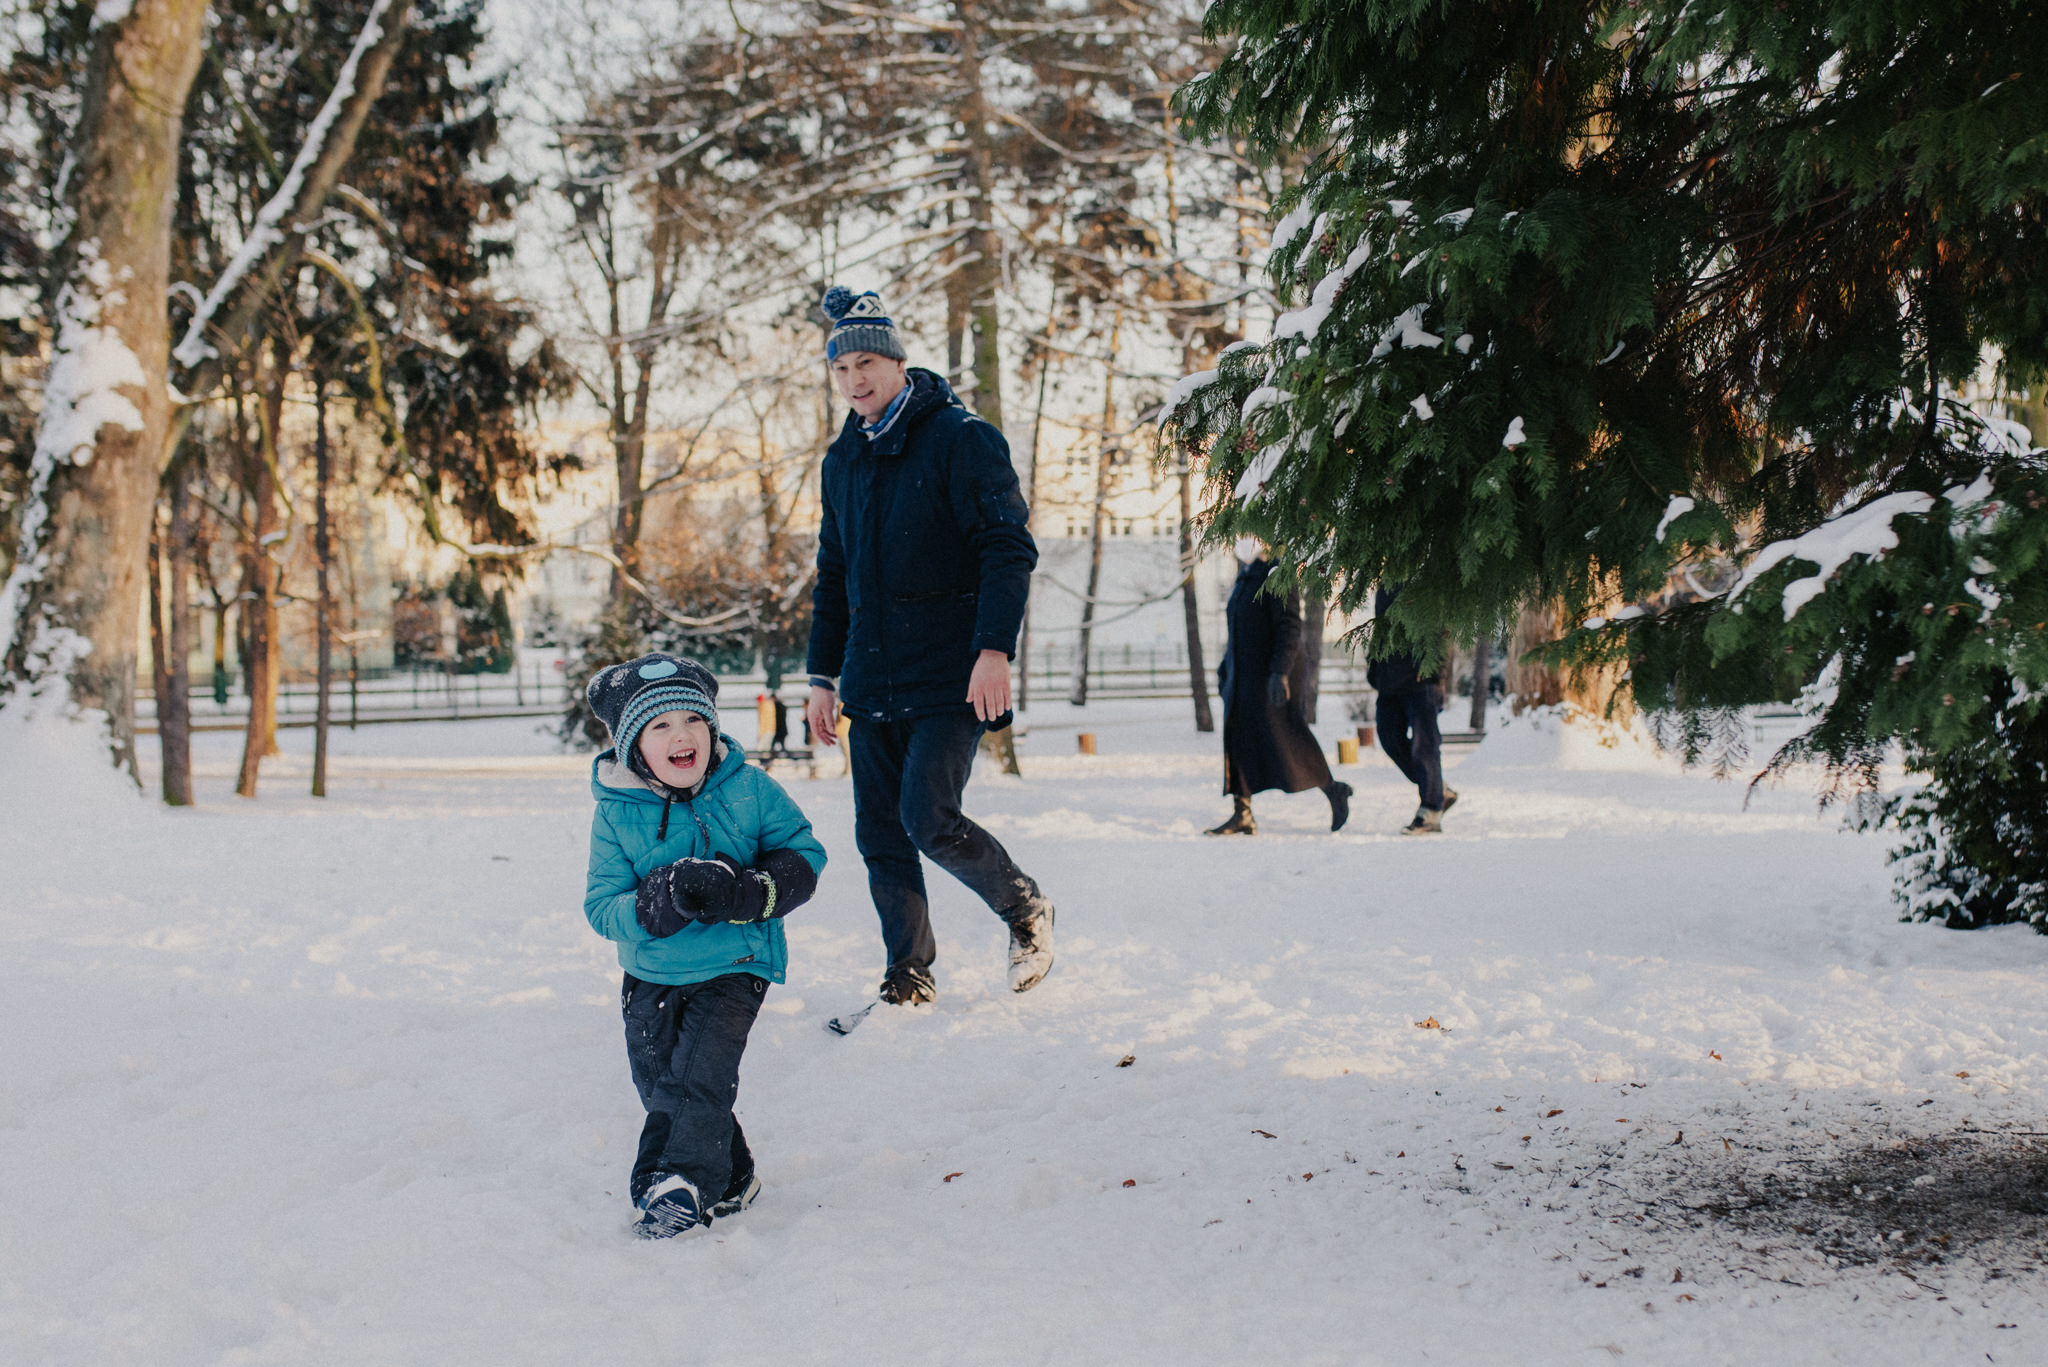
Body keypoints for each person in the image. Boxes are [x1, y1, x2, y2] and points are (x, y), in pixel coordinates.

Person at [803, 284, 1053, 1008]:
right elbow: (834, 572)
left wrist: (993, 649)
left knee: (926, 816)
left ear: (898, 360)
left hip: (952, 672)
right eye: (842, 368)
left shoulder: (960, 439)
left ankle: (1024, 906)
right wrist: (823, 674)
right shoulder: (842, 461)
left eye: (868, 362)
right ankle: (907, 971)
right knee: (879, 832)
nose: (856, 380)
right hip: (872, 678)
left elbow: (1007, 548)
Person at [582, 653, 827, 1238]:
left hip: (737, 963)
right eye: (660, 726)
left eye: (692, 719)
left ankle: (673, 1183)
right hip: (651, 971)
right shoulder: (615, 812)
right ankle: (735, 1176)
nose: (681, 735)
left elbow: (805, 856)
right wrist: (654, 903)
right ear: (632, 746)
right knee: (661, 1081)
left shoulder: (750, 789)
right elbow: (600, 907)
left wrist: (748, 892)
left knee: (698, 1076)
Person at [1207, 537, 1352, 835]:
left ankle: (1332, 788)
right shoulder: (1244, 577)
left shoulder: (1276, 574)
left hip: (1270, 676)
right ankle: (1242, 813)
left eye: (1248, 536)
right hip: (1241, 676)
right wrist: (1225, 669)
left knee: (1287, 737)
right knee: (1239, 739)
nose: (1241, 542)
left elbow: (1289, 628)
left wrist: (1280, 673)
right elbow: (1237, 630)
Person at [1368, 583, 1458, 834]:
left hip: (1421, 678)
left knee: (1424, 746)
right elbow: (1380, 629)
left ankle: (1430, 810)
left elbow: (1443, 628)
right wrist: (1374, 667)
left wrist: (1435, 672)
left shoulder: (1424, 575)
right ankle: (1438, 789)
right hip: (1389, 680)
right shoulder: (1385, 584)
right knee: (1388, 738)